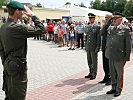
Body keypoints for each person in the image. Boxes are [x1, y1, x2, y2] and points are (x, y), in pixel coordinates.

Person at [0, 1, 45, 100]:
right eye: (22, 11)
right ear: (17, 11)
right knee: (18, 96)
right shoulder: (16, 27)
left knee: (10, 94)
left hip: (8, 64)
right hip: (17, 66)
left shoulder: (3, 27)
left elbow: (1, 50)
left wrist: (6, 63)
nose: (23, 13)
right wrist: (33, 15)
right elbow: (41, 29)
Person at [105, 12, 131, 97]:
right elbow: (104, 35)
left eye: (116, 19)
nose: (114, 20)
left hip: (120, 56)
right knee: (112, 73)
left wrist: (127, 57)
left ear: (121, 19)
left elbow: (128, 44)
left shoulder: (125, 29)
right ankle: (113, 87)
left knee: (119, 73)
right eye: (113, 19)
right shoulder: (110, 28)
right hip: (111, 55)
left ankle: (119, 88)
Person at [84, 13, 101, 80]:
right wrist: (85, 45)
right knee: (89, 61)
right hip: (88, 46)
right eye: (89, 18)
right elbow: (86, 37)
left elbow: (98, 38)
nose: (90, 19)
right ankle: (90, 72)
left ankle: (94, 73)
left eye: (91, 18)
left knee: (94, 61)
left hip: (94, 47)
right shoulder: (87, 27)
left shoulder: (97, 27)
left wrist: (98, 47)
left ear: (94, 19)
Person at [99, 14, 112, 85]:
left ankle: (110, 78)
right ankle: (106, 77)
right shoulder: (105, 24)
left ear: (111, 18)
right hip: (104, 47)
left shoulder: (112, 25)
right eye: (105, 17)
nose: (106, 19)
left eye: (107, 18)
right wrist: (106, 24)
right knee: (105, 64)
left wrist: (107, 24)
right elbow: (101, 33)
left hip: (109, 48)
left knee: (109, 64)